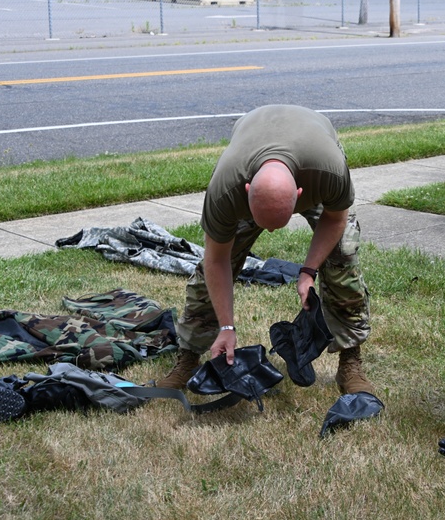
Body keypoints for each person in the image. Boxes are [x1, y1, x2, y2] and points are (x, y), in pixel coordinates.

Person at [156, 105, 375, 397]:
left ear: (300, 195)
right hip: (253, 154)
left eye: (277, 225)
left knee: (343, 259)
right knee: (209, 270)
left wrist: (308, 271)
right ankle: (188, 355)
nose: (271, 233)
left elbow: (335, 219)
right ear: (246, 191)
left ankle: (350, 358)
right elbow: (217, 260)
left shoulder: (328, 171)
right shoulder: (225, 190)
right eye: (264, 225)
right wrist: (227, 327)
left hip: (312, 153)